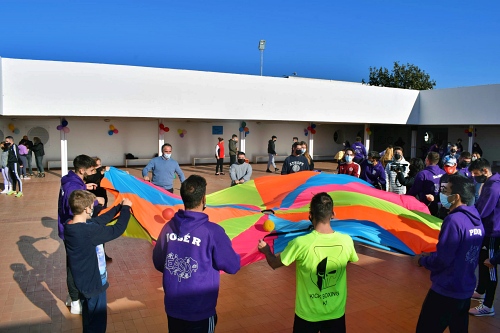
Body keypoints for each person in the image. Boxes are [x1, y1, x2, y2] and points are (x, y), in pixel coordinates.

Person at [257, 192, 358, 333]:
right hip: (336, 313)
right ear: (333, 214)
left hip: (307, 316)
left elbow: (274, 263)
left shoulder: (300, 243)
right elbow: (347, 262)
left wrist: (266, 250)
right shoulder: (346, 241)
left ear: (310, 215)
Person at [153, 175, 240, 332]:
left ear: (183, 198)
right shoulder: (212, 231)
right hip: (200, 311)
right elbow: (232, 266)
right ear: (204, 199)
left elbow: (159, 262)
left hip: (173, 307)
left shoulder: (168, 227)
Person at [414, 175, 483, 332]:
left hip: (446, 291)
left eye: (445, 190)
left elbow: (443, 259)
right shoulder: (476, 218)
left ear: (456, 196)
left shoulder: (454, 220)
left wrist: (423, 261)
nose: (442, 194)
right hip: (465, 289)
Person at [65, 190, 131, 333]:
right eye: (91, 206)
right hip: (95, 285)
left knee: (88, 319)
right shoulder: (88, 232)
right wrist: (126, 209)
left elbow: (99, 220)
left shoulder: (70, 225)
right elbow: (117, 229)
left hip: (82, 283)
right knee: (97, 324)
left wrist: (118, 207)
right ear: (87, 209)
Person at [58, 154, 105, 315]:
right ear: (81, 170)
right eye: (91, 170)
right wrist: (95, 201)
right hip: (73, 231)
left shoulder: (72, 181)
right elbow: (75, 208)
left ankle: (74, 297)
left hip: (70, 229)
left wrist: (85, 188)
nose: (93, 172)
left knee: (74, 264)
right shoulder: (72, 187)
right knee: (74, 267)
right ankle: (75, 301)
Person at [468, 158, 500, 316]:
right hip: (487, 230)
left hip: (494, 232)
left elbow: (483, 210)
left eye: (476, 174)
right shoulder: (490, 183)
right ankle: (481, 290)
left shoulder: (494, 187)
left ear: (485, 171)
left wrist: (468, 219)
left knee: (490, 265)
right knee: (482, 261)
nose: (474, 177)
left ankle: (488, 305)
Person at [407, 152, 445, 216]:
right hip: (441, 205)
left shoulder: (423, 174)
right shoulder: (443, 173)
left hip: (426, 206)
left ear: (427, 160)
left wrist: (404, 197)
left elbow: (414, 190)